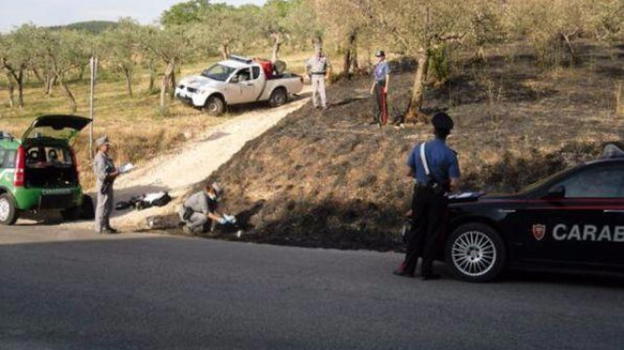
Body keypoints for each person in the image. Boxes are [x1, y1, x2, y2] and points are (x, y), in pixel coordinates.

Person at [395, 112, 460, 280]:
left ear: (433, 129)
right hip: (438, 197)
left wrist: (422, 174)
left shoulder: (419, 148)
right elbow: (454, 183)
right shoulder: (450, 155)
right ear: (448, 133)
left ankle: (408, 268)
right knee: (433, 232)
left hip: (420, 193)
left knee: (416, 229)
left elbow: (409, 172)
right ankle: (426, 270)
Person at [93, 136, 119, 234]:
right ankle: (99, 227)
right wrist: (115, 173)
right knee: (102, 206)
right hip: (104, 185)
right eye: (106, 145)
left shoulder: (105, 156)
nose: (108, 147)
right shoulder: (100, 158)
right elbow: (102, 175)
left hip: (108, 184)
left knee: (108, 205)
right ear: (100, 146)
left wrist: (116, 171)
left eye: (108, 145)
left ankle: (106, 226)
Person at [369, 50, 390, 127]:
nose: (378, 58)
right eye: (377, 56)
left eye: (380, 56)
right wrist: (372, 87)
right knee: (377, 102)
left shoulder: (385, 64)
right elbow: (375, 77)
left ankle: (384, 119)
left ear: (383, 56)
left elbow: (387, 75)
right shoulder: (377, 65)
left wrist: (386, 86)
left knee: (383, 102)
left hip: (382, 84)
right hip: (377, 84)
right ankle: (377, 119)